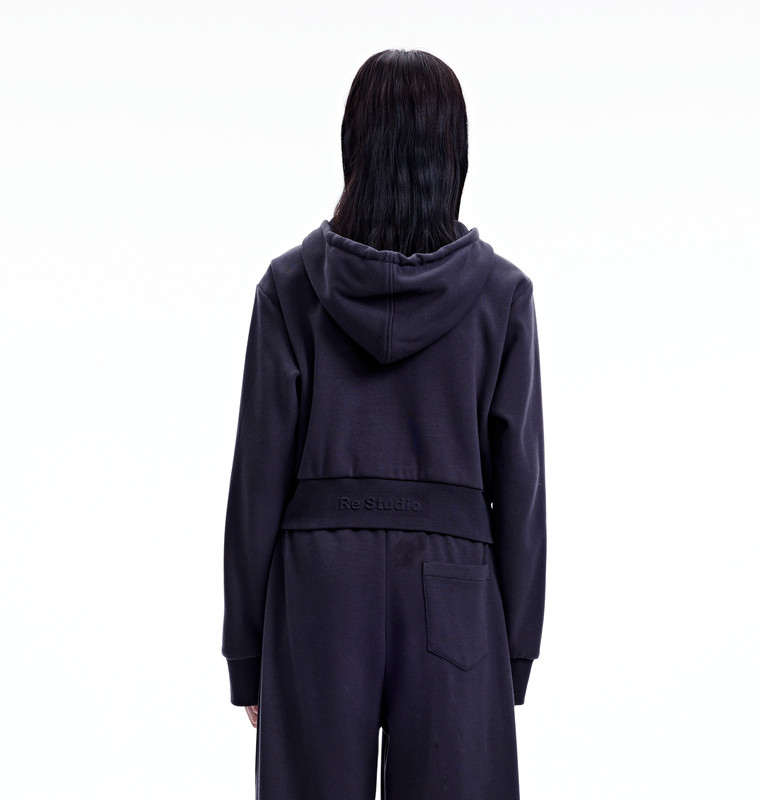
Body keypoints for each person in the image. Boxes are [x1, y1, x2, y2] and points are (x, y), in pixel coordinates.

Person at [221, 47, 547, 800]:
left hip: (318, 584)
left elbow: (257, 481)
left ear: (352, 146)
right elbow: (520, 488)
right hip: (456, 589)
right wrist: (515, 651)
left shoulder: (290, 288)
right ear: (454, 153)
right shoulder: (501, 296)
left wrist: (248, 652)